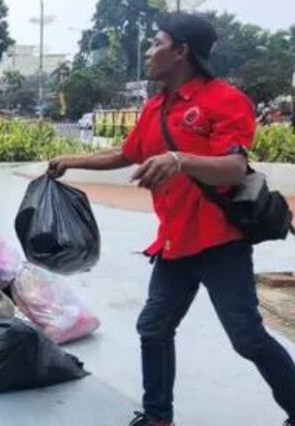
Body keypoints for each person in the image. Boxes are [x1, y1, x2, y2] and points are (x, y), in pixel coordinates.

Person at [47, 13, 295, 426]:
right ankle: (159, 417)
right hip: (175, 241)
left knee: (247, 337)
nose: (147, 52)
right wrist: (70, 160)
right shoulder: (154, 107)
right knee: (154, 328)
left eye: (156, 43)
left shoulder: (225, 100)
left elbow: (234, 167)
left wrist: (180, 161)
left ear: (181, 51)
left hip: (220, 240)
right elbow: (127, 154)